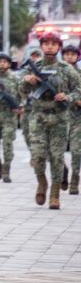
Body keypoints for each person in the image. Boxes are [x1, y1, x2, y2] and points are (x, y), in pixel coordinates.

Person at [20, 32, 81, 210]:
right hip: (38, 117)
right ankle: (42, 182)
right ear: (41, 46)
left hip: (59, 118)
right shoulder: (34, 67)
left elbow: (78, 89)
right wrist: (27, 81)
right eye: (46, 43)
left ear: (58, 47)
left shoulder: (66, 69)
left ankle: (54, 194)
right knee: (38, 156)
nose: (49, 47)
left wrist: (68, 97)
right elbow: (21, 90)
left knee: (57, 157)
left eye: (53, 44)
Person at [0, 51, 22, 184]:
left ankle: (6, 170)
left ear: (9, 64)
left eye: (5, 62)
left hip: (9, 116)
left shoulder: (15, 78)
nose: (2, 64)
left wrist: (20, 106)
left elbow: (22, 93)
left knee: (8, 143)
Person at [62, 44, 81, 194]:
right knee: (55, 151)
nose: (69, 57)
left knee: (76, 151)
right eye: (67, 54)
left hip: (77, 118)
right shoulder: (56, 73)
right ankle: (63, 171)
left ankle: (74, 181)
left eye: (72, 54)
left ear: (77, 57)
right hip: (59, 117)